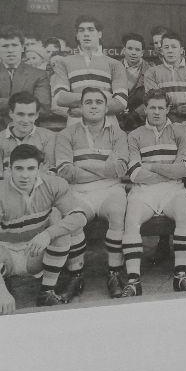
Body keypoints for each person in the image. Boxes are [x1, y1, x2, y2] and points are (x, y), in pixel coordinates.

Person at [0, 144, 93, 314]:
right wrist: (0, 289)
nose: (25, 175)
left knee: (61, 234)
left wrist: (47, 234)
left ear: (40, 168)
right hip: (7, 254)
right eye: (19, 168)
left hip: (34, 251)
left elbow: (79, 216)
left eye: (30, 168)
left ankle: (47, 291)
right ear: (8, 169)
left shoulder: (54, 184)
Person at [120, 89, 186, 297]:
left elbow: (184, 170)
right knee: (131, 221)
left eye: (161, 108)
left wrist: (152, 167)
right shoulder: (134, 135)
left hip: (173, 190)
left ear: (168, 109)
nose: (156, 112)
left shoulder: (181, 132)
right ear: (145, 109)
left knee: (183, 215)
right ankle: (134, 280)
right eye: (152, 108)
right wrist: (168, 170)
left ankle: (180, 275)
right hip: (143, 191)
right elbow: (135, 174)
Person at [55, 87, 130, 298]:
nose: (94, 106)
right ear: (80, 107)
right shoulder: (67, 134)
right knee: (73, 218)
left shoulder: (118, 133)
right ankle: (75, 274)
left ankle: (114, 272)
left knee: (117, 211)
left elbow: (119, 169)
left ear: (107, 107)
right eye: (88, 102)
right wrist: (103, 169)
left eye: (99, 102)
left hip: (110, 189)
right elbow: (65, 171)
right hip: (79, 191)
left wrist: (85, 164)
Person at [0, 25, 51, 204]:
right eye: (5, 46)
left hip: (28, 142)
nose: (10, 50)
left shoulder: (38, 74)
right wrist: (22, 103)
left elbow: (44, 106)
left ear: (23, 47)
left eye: (14, 45)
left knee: (29, 198)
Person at [50, 15, 128, 126]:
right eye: (81, 30)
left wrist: (82, 110)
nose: (86, 34)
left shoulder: (115, 64)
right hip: (76, 125)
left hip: (107, 125)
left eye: (91, 30)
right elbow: (60, 97)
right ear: (77, 35)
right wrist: (104, 97)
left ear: (100, 34)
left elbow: (121, 102)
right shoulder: (64, 63)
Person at [0, 92, 55, 189]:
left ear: (37, 115)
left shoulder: (49, 137)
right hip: (8, 197)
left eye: (30, 115)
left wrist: (10, 174)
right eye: (20, 114)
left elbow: (51, 177)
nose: (25, 120)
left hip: (41, 195)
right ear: (11, 113)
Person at [143, 31, 186, 127]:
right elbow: (155, 105)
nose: (170, 50)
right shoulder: (151, 73)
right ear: (161, 50)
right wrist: (182, 105)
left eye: (174, 47)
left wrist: (171, 108)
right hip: (162, 126)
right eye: (166, 47)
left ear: (181, 50)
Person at [119, 33, 155, 132]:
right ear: (124, 50)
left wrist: (135, 115)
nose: (133, 53)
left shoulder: (151, 71)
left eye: (137, 50)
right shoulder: (114, 68)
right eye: (130, 49)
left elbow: (152, 98)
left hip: (140, 123)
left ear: (142, 53)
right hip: (116, 121)